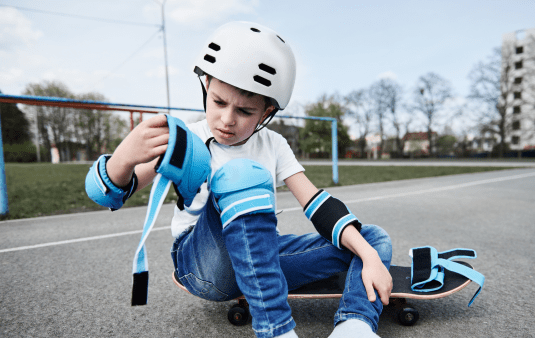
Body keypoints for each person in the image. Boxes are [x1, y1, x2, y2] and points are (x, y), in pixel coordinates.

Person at [85, 21, 392, 338]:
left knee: (372, 238)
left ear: (266, 111)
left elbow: (316, 203)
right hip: (203, 263)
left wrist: (369, 256)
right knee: (241, 175)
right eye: (218, 102)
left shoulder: (273, 144)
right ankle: (275, 330)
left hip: (261, 258)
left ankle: (354, 325)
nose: (227, 120)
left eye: (245, 111)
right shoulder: (187, 139)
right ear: (206, 85)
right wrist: (122, 160)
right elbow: (105, 194)